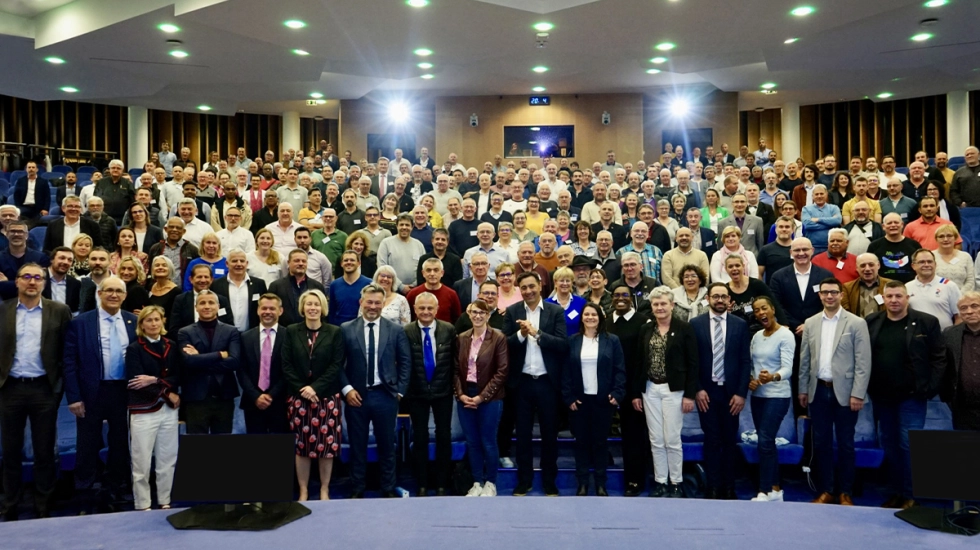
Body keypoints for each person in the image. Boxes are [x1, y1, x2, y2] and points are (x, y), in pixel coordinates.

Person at [0, 263, 72, 520]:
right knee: (10, 451)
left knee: (44, 451)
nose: (32, 282)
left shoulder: (59, 311)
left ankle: (43, 505)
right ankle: (10, 505)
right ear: (17, 281)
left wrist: (58, 388)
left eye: (37, 278)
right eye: (26, 277)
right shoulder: (3, 309)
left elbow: (67, 352)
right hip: (10, 389)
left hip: (44, 389)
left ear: (44, 283)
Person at [866, 282, 945, 510]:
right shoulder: (872, 322)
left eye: (898, 296)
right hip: (882, 397)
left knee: (909, 446)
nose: (893, 300)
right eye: (889, 296)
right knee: (889, 446)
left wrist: (929, 388)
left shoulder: (926, 322)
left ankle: (912, 495)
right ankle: (895, 493)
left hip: (912, 397)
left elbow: (939, 357)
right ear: (883, 298)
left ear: (907, 297)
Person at [63, 275, 138, 513]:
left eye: (119, 291)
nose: (114, 295)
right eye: (109, 290)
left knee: (120, 443)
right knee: (87, 443)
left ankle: (115, 489)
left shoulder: (133, 321)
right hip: (91, 392)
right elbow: (69, 362)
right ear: (99, 293)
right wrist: (74, 397)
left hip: (123, 392)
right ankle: (85, 492)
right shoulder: (81, 323)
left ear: (125, 296)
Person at [799, 278, 872, 506]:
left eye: (833, 292)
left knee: (846, 444)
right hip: (818, 390)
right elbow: (805, 359)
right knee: (821, 443)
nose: (829, 296)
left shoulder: (856, 323)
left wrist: (858, 393)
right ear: (819, 296)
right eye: (825, 293)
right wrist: (803, 389)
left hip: (846, 393)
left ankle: (845, 492)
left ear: (841, 294)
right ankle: (827, 490)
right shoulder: (811, 322)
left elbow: (863, 361)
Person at [339, 284, 412, 498]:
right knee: (357, 444)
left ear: (383, 304)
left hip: (385, 395)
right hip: (356, 396)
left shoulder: (396, 329)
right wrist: (347, 390)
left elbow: (405, 362)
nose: (373, 306)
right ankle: (357, 488)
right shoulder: (346, 328)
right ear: (361, 303)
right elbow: (337, 364)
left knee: (387, 445)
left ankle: (388, 488)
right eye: (369, 302)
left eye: (377, 303)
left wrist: (399, 392)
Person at [504, 271, 568, 496]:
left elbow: (562, 345)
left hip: (547, 383)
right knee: (522, 436)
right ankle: (525, 481)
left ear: (540, 286)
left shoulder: (555, 311)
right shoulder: (512, 312)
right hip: (521, 384)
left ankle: (550, 481)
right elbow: (505, 345)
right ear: (519, 290)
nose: (528, 291)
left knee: (550, 435)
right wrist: (521, 335)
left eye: (532, 286)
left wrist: (537, 334)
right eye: (524, 288)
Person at [632, 287, 698, 498]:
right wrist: (636, 392)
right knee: (656, 439)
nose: (659, 307)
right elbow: (639, 362)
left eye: (663, 304)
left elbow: (693, 363)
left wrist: (690, 394)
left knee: (672, 438)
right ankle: (660, 481)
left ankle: (676, 482)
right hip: (650, 388)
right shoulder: (646, 329)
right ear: (651, 307)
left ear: (672, 305)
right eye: (655, 304)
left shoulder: (684, 328)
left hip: (674, 390)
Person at [282, 290, 345, 501]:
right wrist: (304, 389)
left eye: (316, 304)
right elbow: (286, 365)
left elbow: (336, 365)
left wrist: (315, 388)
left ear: (322, 308)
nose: (312, 308)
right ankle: (303, 490)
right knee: (302, 446)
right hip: (299, 398)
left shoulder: (334, 332)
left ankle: (325, 489)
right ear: (302, 307)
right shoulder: (291, 331)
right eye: (308, 304)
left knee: (326, 446)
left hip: (326, 397)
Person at [691, 283, 751, 499]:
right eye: (715, 296)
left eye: (723, 297)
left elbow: (745, 361)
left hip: (731, 393)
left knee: (729, 440)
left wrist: (741, 393)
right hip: (706, 393)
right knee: (712, 440)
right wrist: (697, 389)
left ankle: (729, 487)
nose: (719, 300)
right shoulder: (695, 324)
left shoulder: (740, 325)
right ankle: (713, 487)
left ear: (729, 300)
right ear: (708, 299)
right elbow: (692, 361)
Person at [561, 303, 625, 497]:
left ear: (600, 317)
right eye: (586, 314)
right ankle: (581, 484)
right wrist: (569, 397)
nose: (590, 317)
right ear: (581, 318)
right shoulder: (572, 341)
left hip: (603, 401)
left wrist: (617, 393)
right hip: (579, 401)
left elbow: (619, 369)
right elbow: (565, 372)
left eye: (594, 314)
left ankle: (600, 484)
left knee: (599, 443)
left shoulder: (611, 340)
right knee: (580, 443)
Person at [125, 305, 180, 511]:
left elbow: (177, 375)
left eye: (157, 319)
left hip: (168, 411)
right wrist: (167, 391)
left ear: (162, 321)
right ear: (142, 325)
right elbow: (136, 382)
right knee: (141, 462)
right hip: (144, 410)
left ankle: (165, 500)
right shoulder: (134, 349)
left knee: (167, 459)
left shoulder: (171, 345)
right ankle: (143, 504)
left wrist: (155, 380)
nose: (154, 324)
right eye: (149, 320)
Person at [403, 292, 458, 496]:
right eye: (421, 308)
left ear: (436, 310)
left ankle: (442, 483)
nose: (426, 312)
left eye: (429, 308)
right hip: (416, 392)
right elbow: (403, 362)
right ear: (415, 310)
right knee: (420, 437)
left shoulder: (448, 329)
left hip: (443, 391)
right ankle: (422, 484)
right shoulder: (406, 331)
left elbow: (454, 361)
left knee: (444, 436)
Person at [455, 299, 509, 497]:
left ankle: (491, 483)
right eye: (474, 312)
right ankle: (477, 482)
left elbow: (502, 371)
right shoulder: (461, 338)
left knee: (488, 441)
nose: (478, 316)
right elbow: (455, 370)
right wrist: (460, 394)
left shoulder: (498, 337)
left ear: (488, 315)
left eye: (482, 313)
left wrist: (481, 397)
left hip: (490, 397)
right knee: (472, 441)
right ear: (469, 314)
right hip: (465, 395)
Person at [746, 296, 795, 502]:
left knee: (766, 440)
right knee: (765, 443)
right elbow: (751, 364)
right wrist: (751, 379)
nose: (760, 313)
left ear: (773, 309)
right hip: (758, 396)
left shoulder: (786, 335)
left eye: (764, 308)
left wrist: (772, 377)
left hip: (778, 395)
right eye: (756, 310)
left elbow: (788, 368)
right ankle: (776, 489)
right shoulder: (756, 336)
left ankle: (764, 490)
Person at [178, 289, 242, 434]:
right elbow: (189, 362)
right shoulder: (185, 332)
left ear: (218, 306)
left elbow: (234, 362)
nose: (207, 306)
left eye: (211, 302)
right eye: (202, 303)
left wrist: (199, 358)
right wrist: (220, 354)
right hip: (196, 397)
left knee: (222, 448)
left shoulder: (231, 331)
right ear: (196, 307)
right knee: (197, 447)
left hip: (224, 396)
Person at [769, 238, 834, 337]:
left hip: (819, 330)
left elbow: (830, 303)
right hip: (789, 332)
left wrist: (809, 325)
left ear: (812, 250)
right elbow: (776, 304)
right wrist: (794, 325)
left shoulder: (826, 275)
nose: (801, 253)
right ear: (791, 252)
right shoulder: (778, 277)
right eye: (797, 250)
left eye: (805, 249)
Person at [942, 291, 980, 430]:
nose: (969, 311)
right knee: (967, 448)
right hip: (962, 407)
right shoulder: (950, 334)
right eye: (963, 308)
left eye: (974, 306)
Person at [906, 248, 961, 330]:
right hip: (916, 338)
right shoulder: (907, 287)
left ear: (935, 264)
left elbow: (959, 316)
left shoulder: (949, 286)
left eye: (930, 261)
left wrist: (954, 337)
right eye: (922, 262)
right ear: (913, 266)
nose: (926, 265)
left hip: (944, 337)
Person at [407, 258, 462, 324]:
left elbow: (457, 319)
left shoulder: (451, 294)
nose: (432, 274)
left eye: (436, 270)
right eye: (428, 270)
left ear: (442, 273)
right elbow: (408, 318)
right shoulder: (413, 294)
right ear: (423, 273)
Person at [842, 253, 893, 318]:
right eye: (863, 266)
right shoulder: (847, 287)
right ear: (857, 268)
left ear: (878, 265)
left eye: (871, 265)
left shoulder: (891, 285)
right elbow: (845, 313)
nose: (867, 269)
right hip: (857, 327)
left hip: (884, 327)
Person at [931, 225, 972, 291]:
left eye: (949, 236)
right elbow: (926, 279)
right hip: (936, 298)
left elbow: (971, 281)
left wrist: (959, 296)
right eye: (941, 236)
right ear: (936, 239)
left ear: (955, 238)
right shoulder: (930, 256)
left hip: (962, 299)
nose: (945, 239)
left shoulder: (966, 256)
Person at [546, 267, 586, 334]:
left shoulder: (581, 303)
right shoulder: (546, 303)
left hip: (575, 343)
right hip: (553, 343)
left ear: (572, 283)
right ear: (555, 283)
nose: (565, 284)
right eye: (561, 281)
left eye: (568, 281)